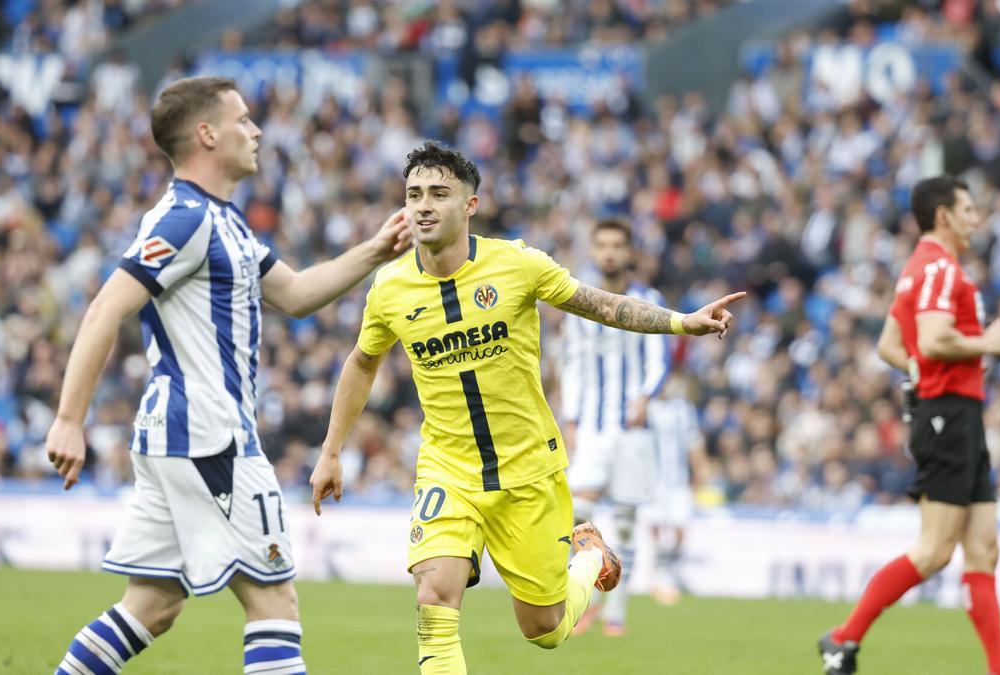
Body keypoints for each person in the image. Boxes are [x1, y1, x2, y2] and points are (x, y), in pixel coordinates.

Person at [310, 141, 745, 674]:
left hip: (529, 470)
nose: (423, 205)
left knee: (544, 630)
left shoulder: (517, 263)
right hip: (448, 468)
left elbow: (603, 304)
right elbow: (361, 363)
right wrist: (331, 451)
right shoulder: (390, 287)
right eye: (414, 194)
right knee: (434, 596)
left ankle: (591, 561)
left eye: (439, 194)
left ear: (469, 205)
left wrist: (681, 321)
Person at [46, 76, 412, 675]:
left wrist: (374, 251)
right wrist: (68, 418)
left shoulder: (227, 223)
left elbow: (293, 293)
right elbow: (107, 306)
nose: (256, 129)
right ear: (207, 133)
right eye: (242, 119)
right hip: (212, 439)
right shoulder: (183, 219)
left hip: (178, 439)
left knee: (154, 605)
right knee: (274, 600)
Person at [817, 176, 1000, 675]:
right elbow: (931, 340)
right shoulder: (936, 268)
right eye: (969, 209)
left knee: (983, 549)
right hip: (948, 416)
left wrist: (920, 372)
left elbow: (892, 343)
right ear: (943, 216)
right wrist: (986, 345)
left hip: (957, 414)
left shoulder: (923, 269)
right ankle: (842, 637)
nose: (977, 218)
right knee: (934, 552)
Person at [559, 218, 670, 637]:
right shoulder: (578, 300)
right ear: (592, 249)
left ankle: (616, 614)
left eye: (616, 245)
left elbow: (661, 355)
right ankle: (584, 595)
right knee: (577, 514)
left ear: (628, 252)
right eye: (601, 244)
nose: (609, 252)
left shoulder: (649, 299)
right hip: (590, 425)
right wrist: (569, 418)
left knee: (624, 518)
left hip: (632, 427)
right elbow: (571, 363)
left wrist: (644, 396)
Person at [643, 373, 705, 606]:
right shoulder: (648, 408)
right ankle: (659, 573)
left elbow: (694, 441)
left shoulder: (683, 410)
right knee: (655, 525)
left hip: (678, 479)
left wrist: (699, 469)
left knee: (680, 526)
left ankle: (669, 568)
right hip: (654, 479)